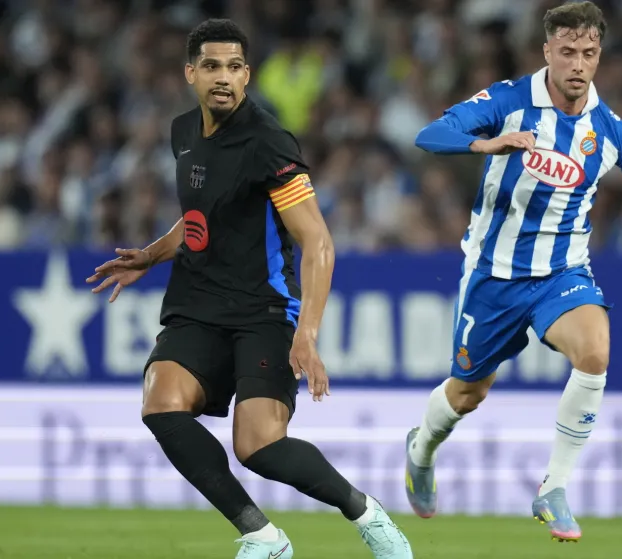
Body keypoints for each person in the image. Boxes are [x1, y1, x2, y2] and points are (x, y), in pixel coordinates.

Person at [86, 19, 412, 559]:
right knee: (160, 403)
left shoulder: (268, 143)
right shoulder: (183, 133)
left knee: (258, 446)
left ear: (247, 75)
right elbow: (201, 215)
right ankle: (263, 537)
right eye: (211, 66)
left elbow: (318, 242)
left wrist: (307, 333)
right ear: (190, 73)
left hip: (263, 309)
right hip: (197, 304)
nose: (223, 77)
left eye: (234, 67)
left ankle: (365, 512)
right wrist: (153, 253)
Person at [405, 1, 622, 543]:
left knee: (595, 351)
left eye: (588, 52)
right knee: (468, 393)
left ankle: (554, 488)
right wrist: (485, 143)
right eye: (567, 52)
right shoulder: (509, 101)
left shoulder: (611, 132)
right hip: (493, 276)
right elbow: (431, 133)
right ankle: (421, 449)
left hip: (561, 274)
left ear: (600, 55)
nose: (578, 64)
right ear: (547, 51)